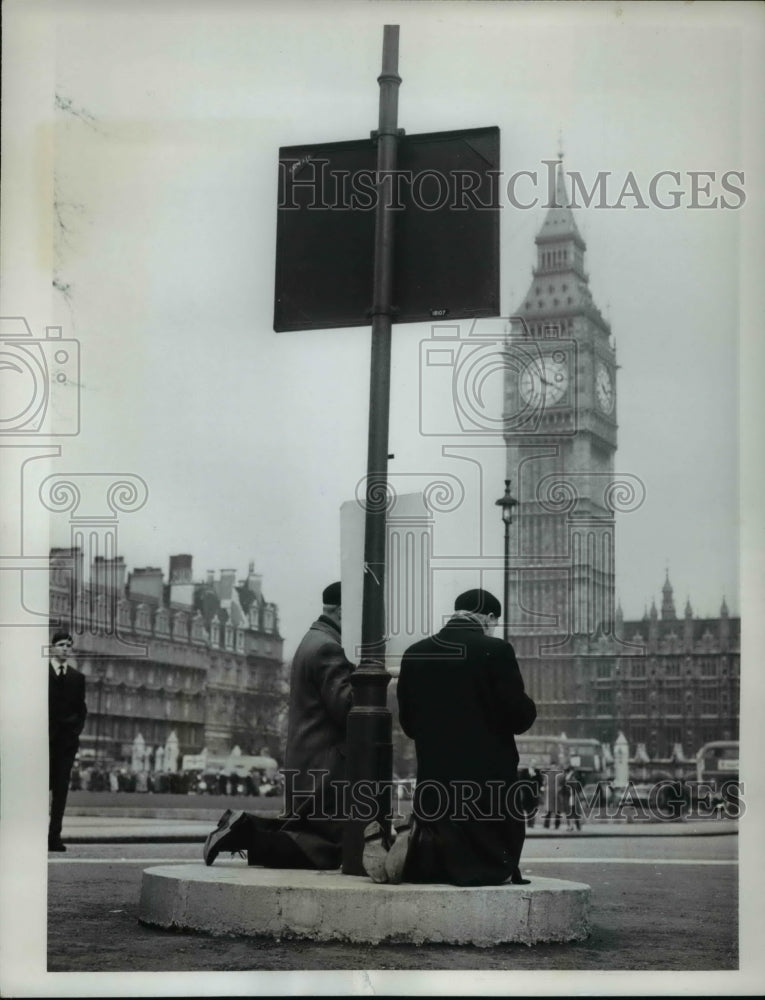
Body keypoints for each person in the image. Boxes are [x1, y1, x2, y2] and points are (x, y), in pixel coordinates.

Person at [365, 588, 537, 886]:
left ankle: (413, 854)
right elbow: (519, 717)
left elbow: (409, 725)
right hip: (487, 780)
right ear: (489, 617)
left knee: (440, 836)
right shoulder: (496, 650)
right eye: (494, 622)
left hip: (436, 777)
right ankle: (490, 867)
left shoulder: (415, 653)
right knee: (490, 846)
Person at [203, 581, 354, 869]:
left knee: (310, 835)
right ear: (343, 612)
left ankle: (240, 828)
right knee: (329, 847)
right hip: (325, 763)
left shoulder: (316, 640)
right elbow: (348, 708)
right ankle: (242, 832)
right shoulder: (329, 648)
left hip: (311, 759)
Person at [48, 629, 87, 852]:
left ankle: (54, 837)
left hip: (65, 744)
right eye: (61, 644)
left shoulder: (77, 678)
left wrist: (74, 732)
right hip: (42, 742)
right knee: (39, 790)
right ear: (53, 647)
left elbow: (82, 710)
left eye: (68, 645)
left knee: (61, 792)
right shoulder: (39, 674)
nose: (65, 648)